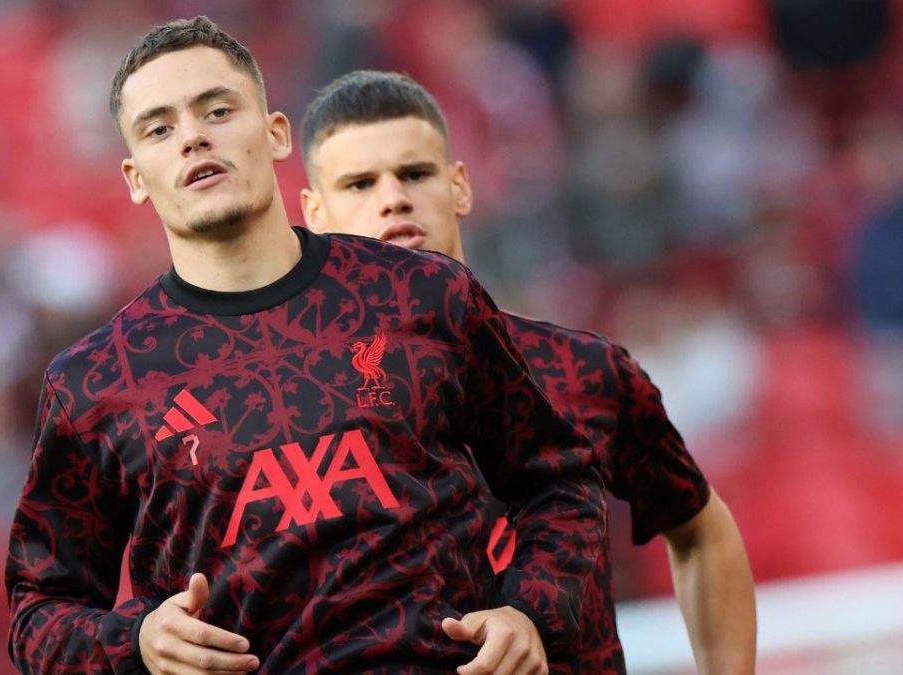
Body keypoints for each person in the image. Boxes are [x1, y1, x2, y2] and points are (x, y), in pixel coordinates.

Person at [5, 16, 607, 675]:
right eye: (159, 128)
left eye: (217, 110)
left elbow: (558, 480)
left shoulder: (426, 294)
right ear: (135, 176)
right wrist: (138, 642)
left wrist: (528, 611)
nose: (193, 136)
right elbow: (39, 610)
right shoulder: (95, 382)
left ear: (276, 134)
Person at [298, 70, 757, 674]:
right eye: (359, 183)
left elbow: (702, 531)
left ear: (460, 187)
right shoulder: (289, 407)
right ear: (314, 213)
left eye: (415, 173)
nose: (393, 198)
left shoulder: (583, 371)